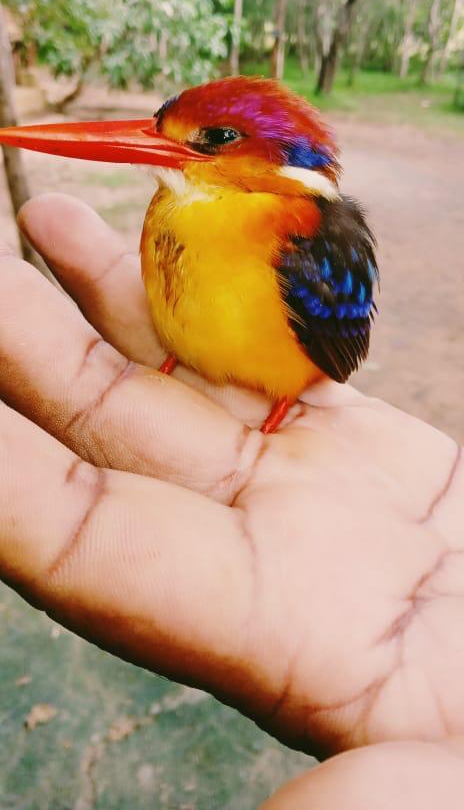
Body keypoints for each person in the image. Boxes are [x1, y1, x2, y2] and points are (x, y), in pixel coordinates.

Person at [0, 191, 463, 808]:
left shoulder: (302, 235)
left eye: (214, 144)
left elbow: (338, 349)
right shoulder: (171, 207)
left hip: (287, 372)